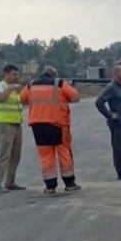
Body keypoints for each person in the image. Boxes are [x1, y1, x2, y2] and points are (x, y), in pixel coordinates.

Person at [19, 66, 81, 194]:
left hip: (37, 124)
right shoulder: (60, 83)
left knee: (46, 155)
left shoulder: (31, 85)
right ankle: (69, 183)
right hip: (57, 123)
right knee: (64, 152)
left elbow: (22, 98)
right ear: (54, 75)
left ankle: (50, 185)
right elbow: (75, 97)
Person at [0, 64, 25, 193]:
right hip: (5, 124)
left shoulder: (14, 89)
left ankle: (10, 181)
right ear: (6, 74)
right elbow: (0, 98)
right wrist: (9, 89)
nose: (17, 77)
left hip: (16, 123)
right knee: (4, 154)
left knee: (16, 155)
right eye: (14, 74)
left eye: (18, 74)